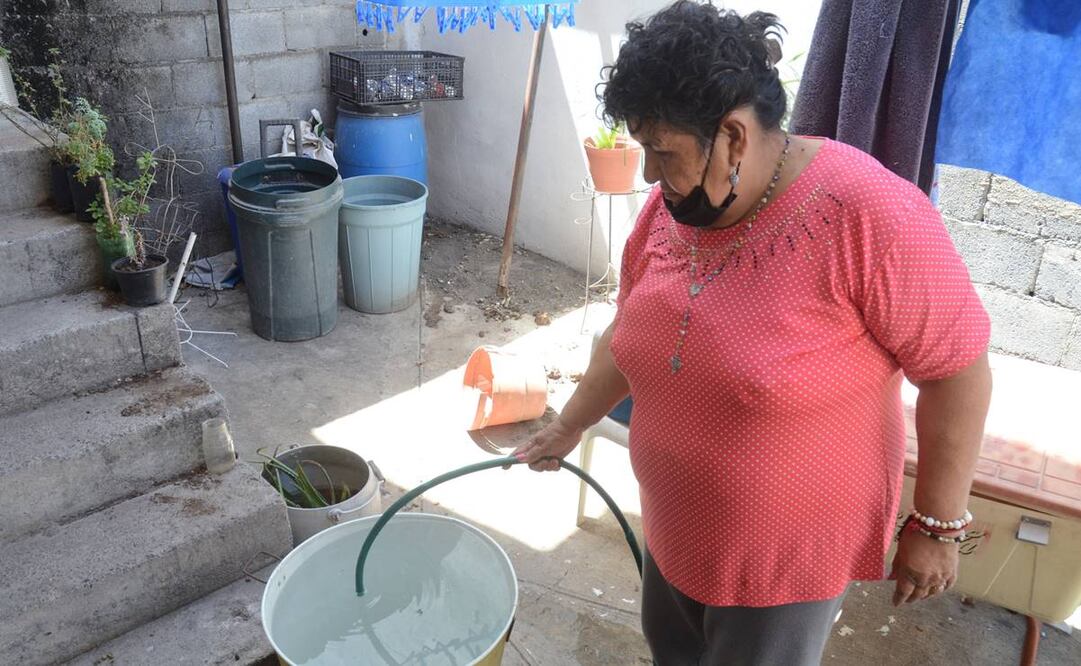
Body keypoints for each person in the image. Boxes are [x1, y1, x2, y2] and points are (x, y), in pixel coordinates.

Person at [512, 2, 993, 664]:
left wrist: (938, 524)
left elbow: (957, 370)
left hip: (782, 563)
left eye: (661, 151)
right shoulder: (672, 209)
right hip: (674, 526)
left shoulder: (871, 217)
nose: (648, 175)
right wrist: (570, 424)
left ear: (733, 136)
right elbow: (630, 332)